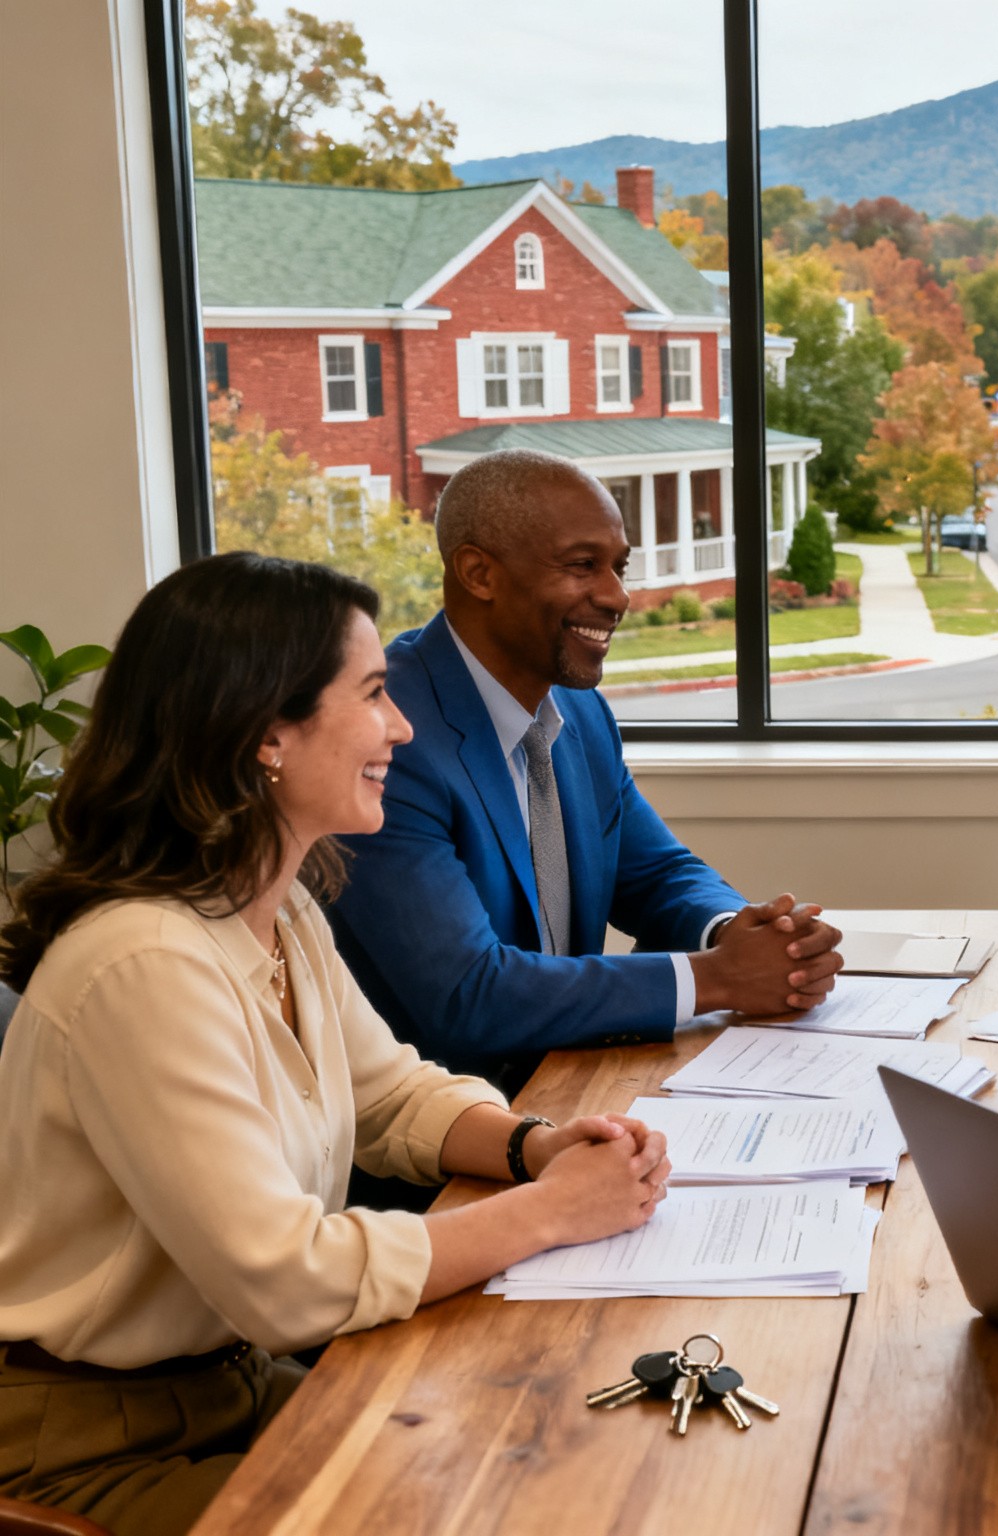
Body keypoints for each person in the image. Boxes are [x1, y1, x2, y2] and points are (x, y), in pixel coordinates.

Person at [0, 553, 671, 1536]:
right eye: (372, 696)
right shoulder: (142, 962)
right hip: (84, 1449)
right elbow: (287, 1279)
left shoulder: (278, 909)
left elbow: (391, 1097)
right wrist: (548, 1213)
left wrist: (532, 1145)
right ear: (266, 733)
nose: (400, 727)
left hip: (222, 1388)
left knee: (516, 1458)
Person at [327, 449, 842, 1092]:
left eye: (618, 567)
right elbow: (466, 995)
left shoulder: (578, 709)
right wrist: (719, 978)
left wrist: (748, 934)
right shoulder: (390, 739)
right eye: (582, 566)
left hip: (574, 1083)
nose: (617, 596)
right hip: (446, 1140)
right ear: (479, 573)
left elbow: (653, 872)